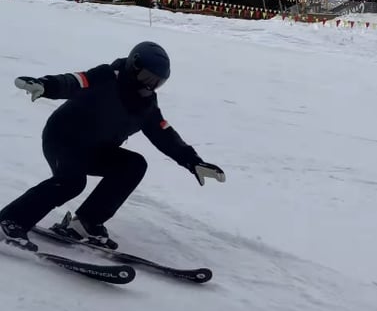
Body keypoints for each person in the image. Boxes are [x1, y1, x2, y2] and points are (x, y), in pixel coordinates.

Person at [0, 42, 225, 251]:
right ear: (133, 66)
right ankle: (10, 220)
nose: (150, 85)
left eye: (157, 82)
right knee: (72, 182)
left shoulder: (146, 105)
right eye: (148, 77)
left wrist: (192, 161)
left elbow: (164, 134)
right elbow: (75, 81)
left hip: (95, 149)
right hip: (63, 139)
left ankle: (85, 224)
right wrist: (46, 85)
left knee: (134, 165)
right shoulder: (106, 77)